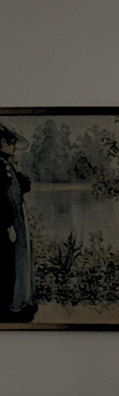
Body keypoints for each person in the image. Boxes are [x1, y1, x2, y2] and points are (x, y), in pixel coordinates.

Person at [0, 120, 37, 322]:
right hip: (6, 225)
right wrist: (7, 225)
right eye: (11, 142)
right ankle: (9, 308)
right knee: (8, 265)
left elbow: (24, 187)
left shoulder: (7, 164)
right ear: (2, 142)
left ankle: (18, 302)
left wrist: (17, 169)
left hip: (16, 223)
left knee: (18, 261)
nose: (14, 146)